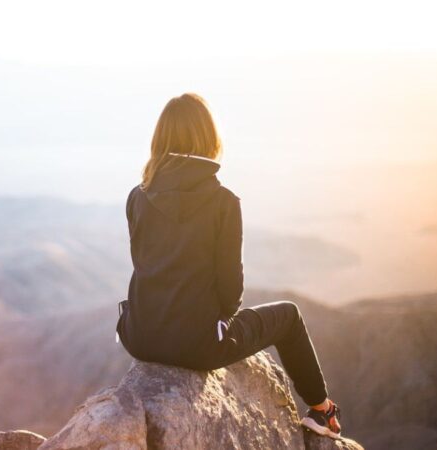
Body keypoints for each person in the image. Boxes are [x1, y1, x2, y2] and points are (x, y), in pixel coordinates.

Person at [115, 93, 342, 439]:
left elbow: (144, 265)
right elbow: (231, 294)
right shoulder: (223, 202)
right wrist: (214, 322)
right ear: (209, 138)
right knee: (290, 316)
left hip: (139, 336)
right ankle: (322, 410)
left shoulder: (137, 195)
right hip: (198, 346)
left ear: (159, 139)